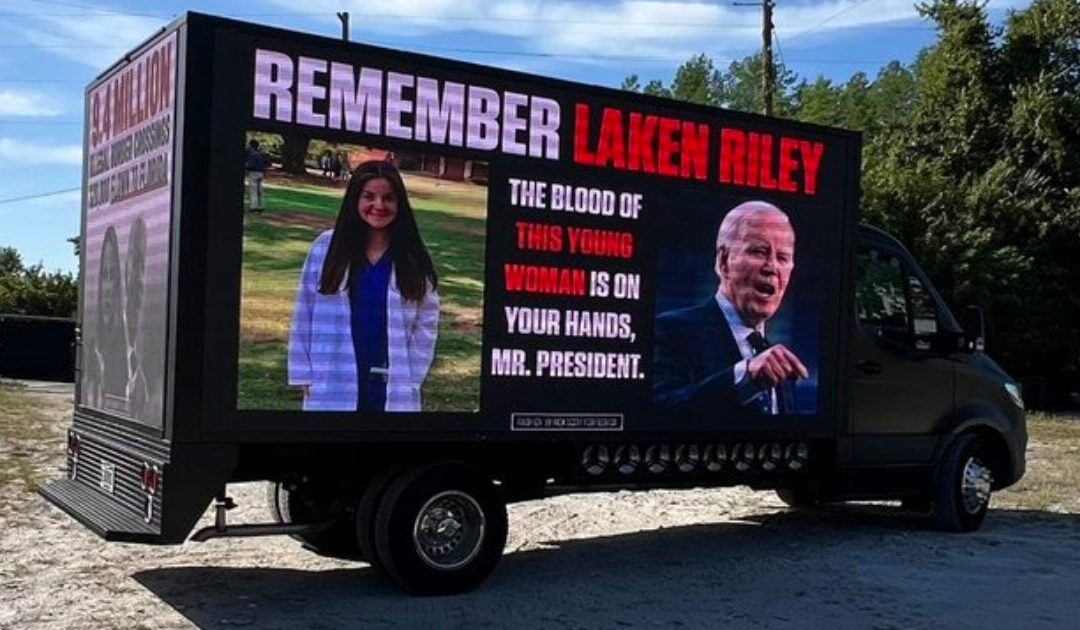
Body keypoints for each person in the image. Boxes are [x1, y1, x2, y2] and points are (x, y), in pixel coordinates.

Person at [288, 160, 440, 412]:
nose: (378, 205)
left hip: (391, 382)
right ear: (354, 200)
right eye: (369, 196)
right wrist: (303, 371)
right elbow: (304, 310)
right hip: (334, 377)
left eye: (388, 198)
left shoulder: (411, 257)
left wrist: (412, 377)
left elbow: (427, 321)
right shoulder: (326, 248)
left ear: (399, 204)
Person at [653, 200, 808, 419]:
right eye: (759, 251)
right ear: (723, 261)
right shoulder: (671, 330)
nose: (771, 267)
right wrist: (744, 377)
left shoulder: (777, 362)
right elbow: (660, 410)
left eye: (782, 257)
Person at [84, 225, 130, 414]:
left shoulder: (126, 355)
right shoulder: (92, 349)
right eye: (105, 275)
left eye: (113, 276)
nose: (109, 286)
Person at [244, 139, 271, 212]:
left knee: (253, 190)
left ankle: (253, 206)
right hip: (261, 173)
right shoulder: (261, 153)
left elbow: (249, 165)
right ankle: (261, 206)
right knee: (260, 190)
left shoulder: (251, 153)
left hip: (253, 172)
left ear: (251, 145)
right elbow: (268, 163)